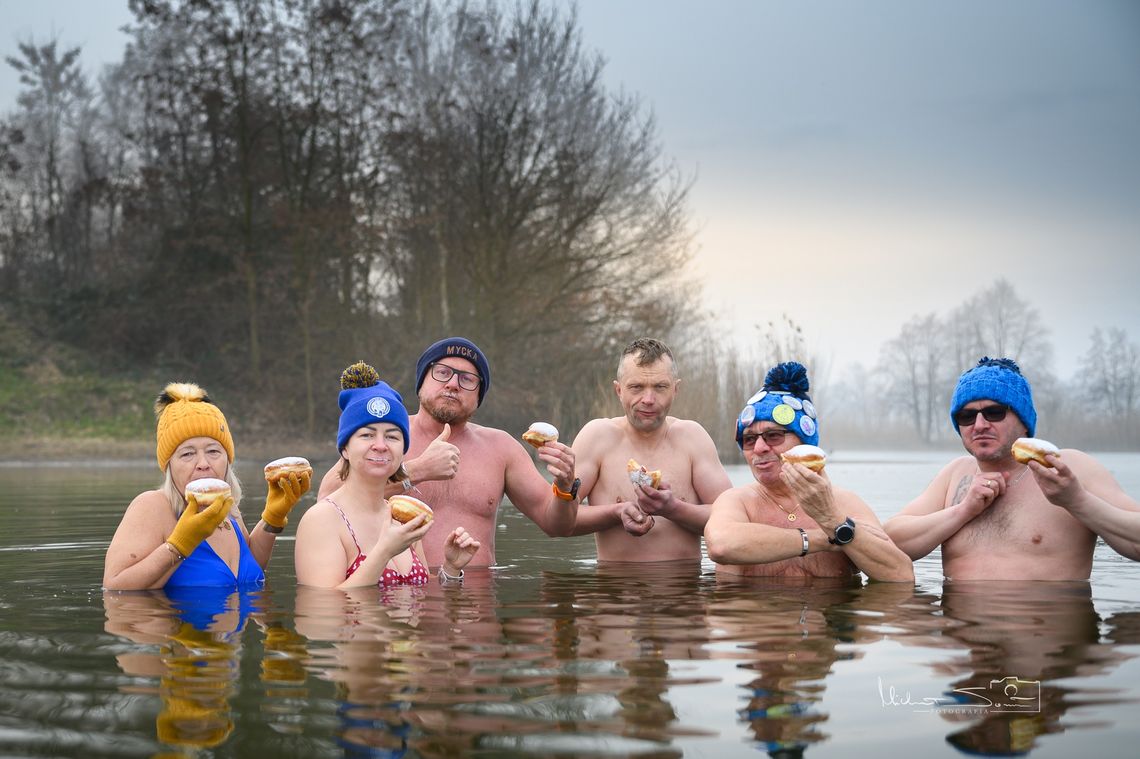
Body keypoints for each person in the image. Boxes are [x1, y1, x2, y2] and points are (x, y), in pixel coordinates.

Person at [316, 337, 579, 567]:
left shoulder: (502, 447)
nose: (453, 384)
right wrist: (417, 470)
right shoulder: (385, 435)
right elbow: (327, 500)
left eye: (467, 379)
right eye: (442, 372)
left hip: (475, 603)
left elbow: (556, 525)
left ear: (479, 396)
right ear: (421, 382)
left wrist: (566, 487)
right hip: (398, 599)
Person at [884, 356, 1140, 581]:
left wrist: (1077, 501)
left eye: (994, 412)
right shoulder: (956, 474)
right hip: (959, 631)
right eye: (967, 416)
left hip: (1047, 628)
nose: (980, 424)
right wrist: (962, 511)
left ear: (1024, 420)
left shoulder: (1067, 467)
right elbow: (887, 544)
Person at [704, 362, 914, 582]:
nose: (759, 448)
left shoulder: (844, 503)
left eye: (773, 436)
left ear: (805, 443)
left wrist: (832, 518)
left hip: (827, 612)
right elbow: (721, 545)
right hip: (752, 613)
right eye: (748, 440)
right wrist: (830, 538)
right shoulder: (737, 501)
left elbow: (900, 575)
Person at [104, 383, 310, 591]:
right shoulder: (153, 506)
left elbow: (250, 570)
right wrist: (178, 545)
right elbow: (114, 586)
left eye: (213, 451)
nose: (203, 463)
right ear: (169, 465)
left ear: (227, 460)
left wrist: (272, 519)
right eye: (187, 454)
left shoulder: (228, 509)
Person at [296, 362, 480, 588]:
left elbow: (420, 596)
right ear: (345, 448)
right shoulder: (321, 519)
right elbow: (321, 611)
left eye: (392, 437)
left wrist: (451, 569)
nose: (381, 445)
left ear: (403, 449)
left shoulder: (402, 518)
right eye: (367, 435)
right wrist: (384, 551)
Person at [568, 337, 732, 562]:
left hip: (686, 591)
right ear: (618, 390)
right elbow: (557, 520)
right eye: (636, 387)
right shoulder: (597, 437)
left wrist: (674, 509)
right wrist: (616, 513)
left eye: (660, 387)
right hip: (611, 589)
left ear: (675, 389)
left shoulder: (693, 438)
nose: (648, 399)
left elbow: (732, 517)